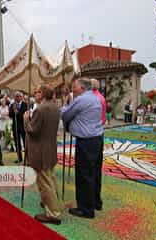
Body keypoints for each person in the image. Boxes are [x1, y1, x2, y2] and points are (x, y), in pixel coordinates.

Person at [61, 78, 103, 219]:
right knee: (94, 172)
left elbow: (66, 114)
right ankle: (95, 201)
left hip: (86, 141)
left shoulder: (81, 100)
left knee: (84, 175)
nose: (73, 89)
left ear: (83, 88)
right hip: (97, 139)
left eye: (75, 86)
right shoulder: (95, 98)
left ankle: (86, 209)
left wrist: (64, 105)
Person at [24, 84, 61, 225]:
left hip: (40, 151)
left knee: (45, 183)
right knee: (50, 179)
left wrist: (26, 119)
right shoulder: (55, 107)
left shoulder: (41, 109)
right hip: (50, 148)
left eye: (37, 91)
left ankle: (53, 213)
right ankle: (52, 205)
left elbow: (32, 131)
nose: (34, 93)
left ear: (44, 93)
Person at [9, 91, 27, 163]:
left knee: (25, 142)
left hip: (23, 126)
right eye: (17, 96)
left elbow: (24, 113)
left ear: (21, 97)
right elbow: (10, 115)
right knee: (17, 142)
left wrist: (18, 112)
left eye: (19, 96)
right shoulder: (13, 105)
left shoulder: (24, 104)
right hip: (15, 126)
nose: (18, 98)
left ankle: (27, 158)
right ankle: (19, 158)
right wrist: (13, 111)